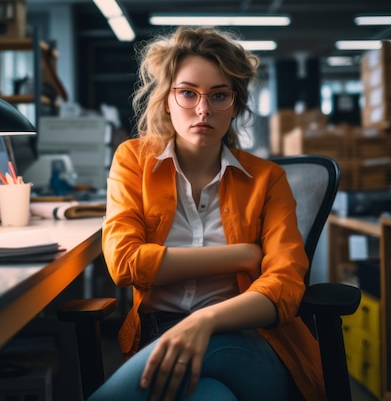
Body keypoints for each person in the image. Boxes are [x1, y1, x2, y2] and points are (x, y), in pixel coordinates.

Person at [89, 27, 324, 401]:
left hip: (251, 342)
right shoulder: (134, 160)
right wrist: (242, 255)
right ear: (166, 99)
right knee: (209, 395)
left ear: (235, 104)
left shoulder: (268, 180)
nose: (203, 109)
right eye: (188, 93)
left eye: (219, 95)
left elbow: (284, 288)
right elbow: (124, 264)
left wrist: (204, 321)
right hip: (158, 332)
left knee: (205, 347)